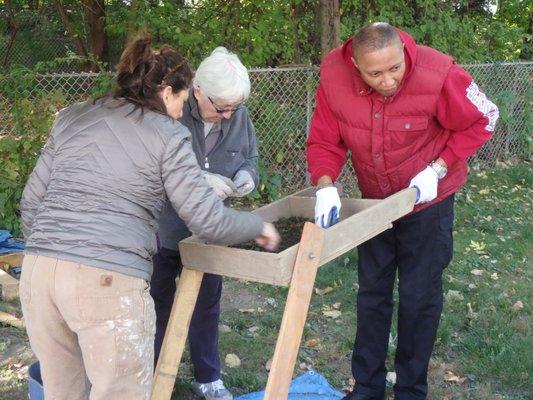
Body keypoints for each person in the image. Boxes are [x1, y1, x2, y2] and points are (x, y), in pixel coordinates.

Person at [19, 36, 279, 400]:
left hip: (38, 277)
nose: (184, 106)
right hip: (108, 281)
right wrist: (258, 225)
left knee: (61, 393)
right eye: (183, 97)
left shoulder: (73, 117)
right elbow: (209, 221)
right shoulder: (167, 134)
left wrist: (55, 253)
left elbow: (31, 203)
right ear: (166, 91)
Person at [307, 23, 498, 400]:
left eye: (395, 68)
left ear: (403, 55)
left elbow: (485, 117)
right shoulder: (333, 72)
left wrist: (438, 168)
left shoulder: (438, 71)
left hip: (429, 201)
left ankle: (411, 390)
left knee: (418, 297)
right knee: (371, 294)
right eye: (375, 73)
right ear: (355, 65)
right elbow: (325, 137)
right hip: (374, 203)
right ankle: (367, 388)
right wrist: (326, 184)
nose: (388, 80)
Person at [153, 47, 258, 400]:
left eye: (234, 108)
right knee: (158, 303)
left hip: (211, 233)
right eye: (221, 107)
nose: (228, 115)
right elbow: (151, 168)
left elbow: (251, 155)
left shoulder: (237, 113)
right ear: (198, 91)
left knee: (206, 303)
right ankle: (153, 376)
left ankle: (208, 378)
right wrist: (197, 179)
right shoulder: (172, 112)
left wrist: (247, 175)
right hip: (164, 232)